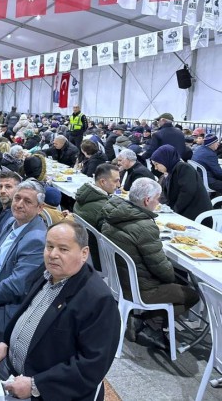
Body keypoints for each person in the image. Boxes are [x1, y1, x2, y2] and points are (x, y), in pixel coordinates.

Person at [0, 221, 120, 401]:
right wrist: (6, 343)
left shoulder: (98, 300)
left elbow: (92, 366)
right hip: (12, 369)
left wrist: (36, 385)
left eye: (63, 249)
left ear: (84, 253)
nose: (52, 254)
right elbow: (27, 315)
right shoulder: (46, 273)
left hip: (47, 392)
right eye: (49, 246)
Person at [101, 178, 199, 349]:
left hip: (119, 280)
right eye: (158, 198)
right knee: (191, 294)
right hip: (141, 289)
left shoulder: (113, 214)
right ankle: (150, 324)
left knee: (176, 280)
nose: (158, 202)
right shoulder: (144, 226)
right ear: (147, 200)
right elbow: (163, 271)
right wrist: (173, 277)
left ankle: (140, 320)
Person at [0, 180, 47, 338]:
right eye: (17, 198)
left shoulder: (37, 240)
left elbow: (17, 285)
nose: (19, 204)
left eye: (27, 201)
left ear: (40, 208)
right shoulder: (11, 221)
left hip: (4, 307)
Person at [73, 163, 120, 270]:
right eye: (116, 181)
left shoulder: (83, 196)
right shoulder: (103, 208)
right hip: (99, 259)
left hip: (85, 250)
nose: (119, 185)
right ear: (103, 182)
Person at [151, 144, 212, 221]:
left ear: (165, 160)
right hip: (183, 210)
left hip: (195, 214)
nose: (156, 168)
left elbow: (187, 192)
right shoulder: (169, 172)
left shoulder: (183, 168)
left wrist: (174, 211)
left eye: (156, 164)